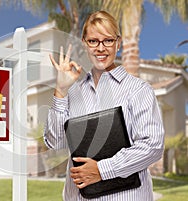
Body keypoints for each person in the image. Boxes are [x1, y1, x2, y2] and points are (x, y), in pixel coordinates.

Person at [44, 10, 164, 201]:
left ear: (118, 42)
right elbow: (56, 142)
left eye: (107, 40)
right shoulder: (73, 92)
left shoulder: (138, 90)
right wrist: (60, 90)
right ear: (84, 44)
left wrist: (102, 169)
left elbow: (152, 146)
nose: (100, 48)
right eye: (93, 41)